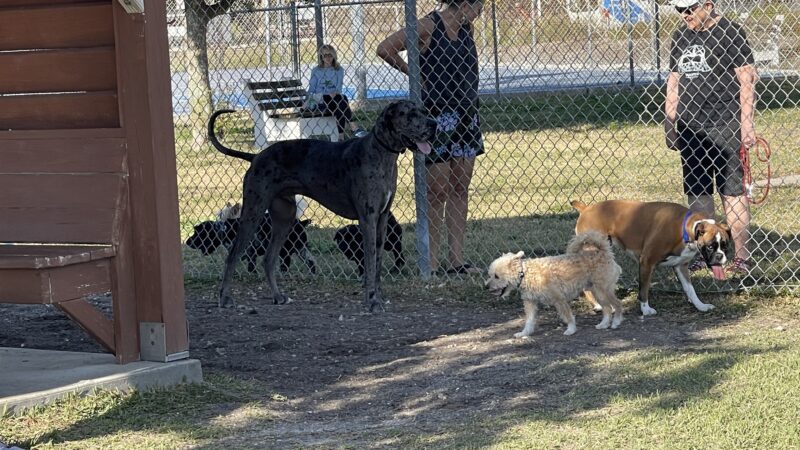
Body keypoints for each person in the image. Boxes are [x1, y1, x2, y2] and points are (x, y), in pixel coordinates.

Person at [377, 0, 484, 275]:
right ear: (462, 4)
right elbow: (385, 47)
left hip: (465, 115)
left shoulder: (466, 28)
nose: (480, 12)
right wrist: (414, 75)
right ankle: (431, 263)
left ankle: (456, 261)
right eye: (477, 6)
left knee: (460, 188)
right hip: (436, 119)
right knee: (437, 191)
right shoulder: (428, 26)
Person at [664, 0, 757, 276]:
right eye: (679, 10)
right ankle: (704, 254)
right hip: (692, 129)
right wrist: (670, 125)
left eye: (689, 9)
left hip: (726, 125)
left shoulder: (731, 32)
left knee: (733, 192)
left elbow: (747, 80)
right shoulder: (680, 36)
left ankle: (741, 257)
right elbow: (674, 82)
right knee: (698, 193)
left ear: (708, 4)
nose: (685, 15)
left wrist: (747, 125)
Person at [307, 44, 367, 140]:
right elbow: (312, 90)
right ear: (321, 57)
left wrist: (333, 94)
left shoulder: (338, 70)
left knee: (340, 100)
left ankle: (341, 136)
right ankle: (352, 127)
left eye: (330, 55)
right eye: (325, 55)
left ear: (334, 56)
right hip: (320, 100)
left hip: (334, 99)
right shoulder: (316, 70)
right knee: (342, 99)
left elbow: (338, 89)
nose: (328, 58)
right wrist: (321, 96)